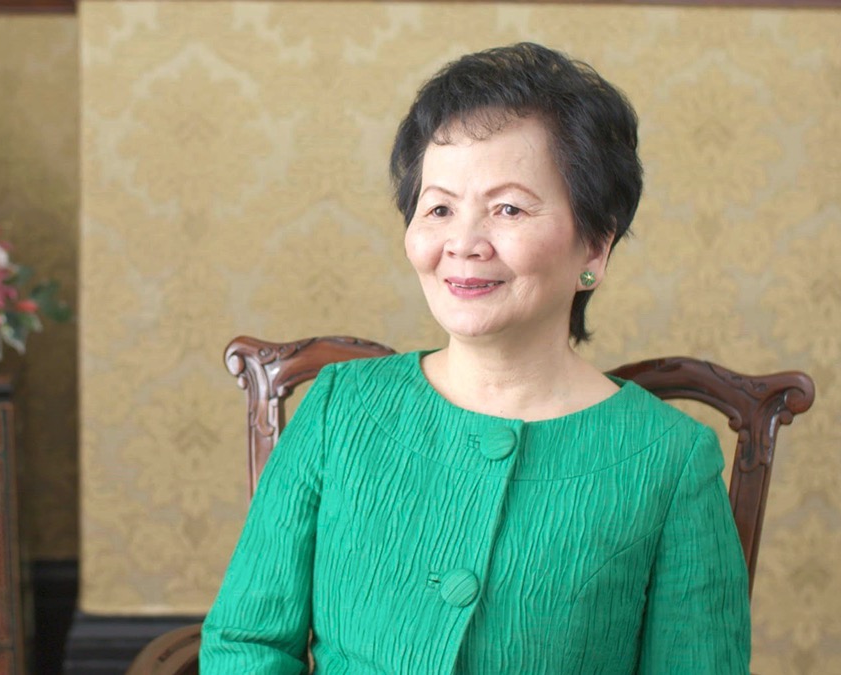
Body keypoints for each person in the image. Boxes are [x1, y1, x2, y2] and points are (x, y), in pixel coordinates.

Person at [199, 42, 750, 673]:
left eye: (508, 208)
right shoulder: (338, 408)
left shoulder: (673, 459)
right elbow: (246, 644)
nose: (463, 243)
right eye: (438, 208)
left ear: (595, 248)